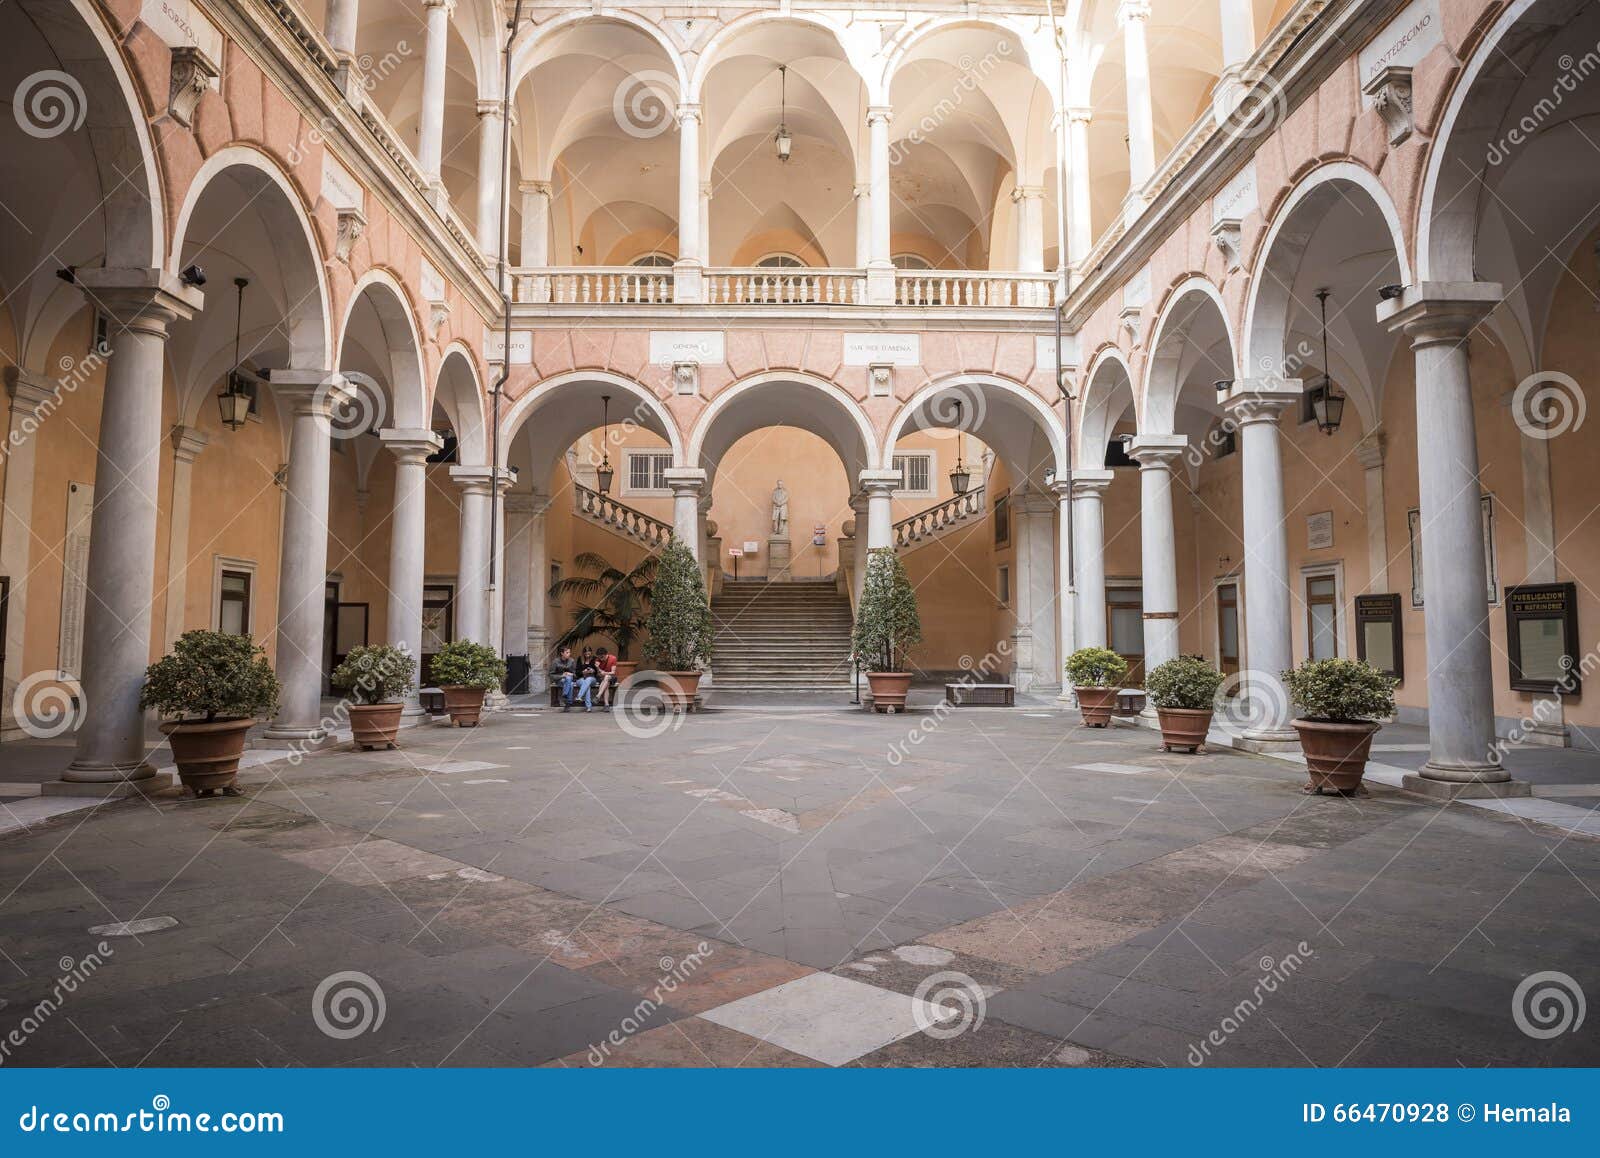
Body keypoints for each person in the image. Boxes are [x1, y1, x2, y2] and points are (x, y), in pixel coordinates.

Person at [549, 646, 581, 711]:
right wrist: (562, 676)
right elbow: (551, 675)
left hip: (569, 679)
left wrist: (570, 674)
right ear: (562, 653)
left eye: (569, 652)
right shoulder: (555, 661)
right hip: (559, 680)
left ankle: (565, 695)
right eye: (567, 652)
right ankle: (568, 703)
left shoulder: (571, 661)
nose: (569, 654)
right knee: (570, 684)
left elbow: (575, 674)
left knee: (568, 678)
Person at [574, 647, 599, 712]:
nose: (587, 655)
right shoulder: (580, 659)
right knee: (586, 686)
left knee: (588, 680)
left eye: (589, 654)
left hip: (592, 679)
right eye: (586, 654)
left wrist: (593, 670)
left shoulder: (594, 659)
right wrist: (583, 672)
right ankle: (588, 707)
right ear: (583, 654)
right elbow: (577, 672)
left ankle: (579, 696)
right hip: (581, 679)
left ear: (591, 652)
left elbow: (597, 672)